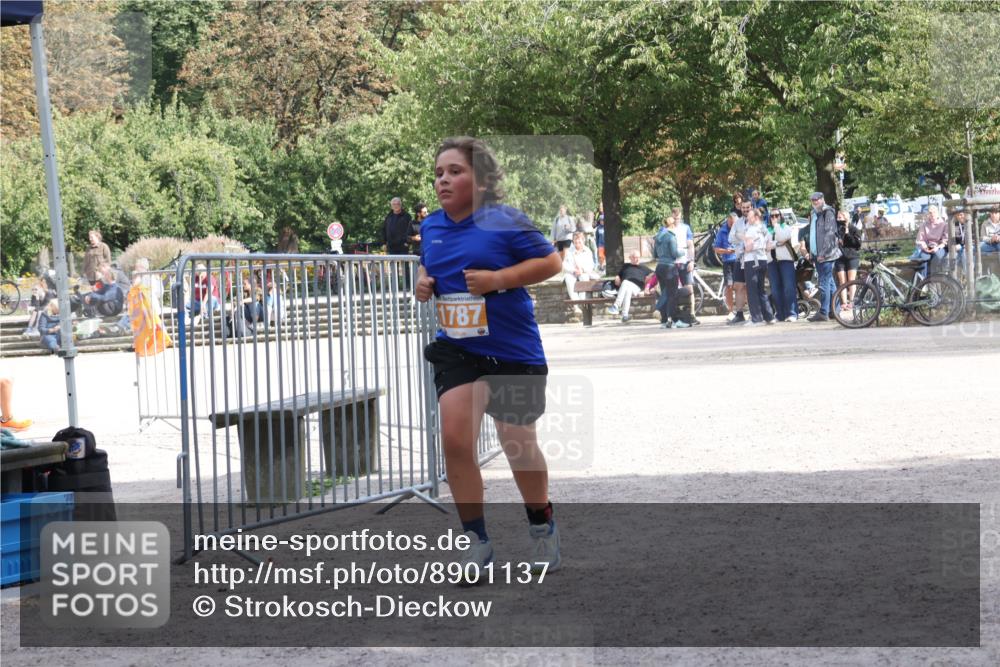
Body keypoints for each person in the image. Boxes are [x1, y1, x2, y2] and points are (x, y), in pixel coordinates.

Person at [415, 136, 564, 576]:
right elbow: (429, 264)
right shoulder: (431, 227)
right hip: (459, 348)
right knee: (456, 440)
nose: (444, 180)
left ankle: (541, 524)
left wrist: (498, 278)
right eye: (439, 173)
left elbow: (551, 262)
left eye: (455, 171)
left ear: (480, 181)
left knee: (517, 444)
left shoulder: (504, 220)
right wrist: (423, 282)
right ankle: (475, 543)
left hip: (512, 348)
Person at [802, 192, 841, 322]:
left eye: (817, 200)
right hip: (817, 255)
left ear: (822, 199)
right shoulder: (814, 213)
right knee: (829, 283)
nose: (815, 202)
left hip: (826, 255)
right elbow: (813, 234)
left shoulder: (827, 212)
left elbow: (830, 234)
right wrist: (813, 253)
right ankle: (835, 311)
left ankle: (824, 312)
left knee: (824, 283)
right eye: (813, 200)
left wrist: (822, 253)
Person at [742, 209, 776, 326]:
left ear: (756, 217)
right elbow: (769, 246)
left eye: (749, 216)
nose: (747, 218)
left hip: (752, 260)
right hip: (763, 259)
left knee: (752, 290)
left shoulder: (751, 230)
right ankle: (769, 316)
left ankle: (756, 318)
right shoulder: (765, 229)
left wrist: (743, 248)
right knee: (761, 289)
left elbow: (748, 247)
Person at [653, 216, 687, 328]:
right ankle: (674, 321)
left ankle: (664, 321)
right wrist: (683, 251)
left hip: (659, 267)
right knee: (672, 295)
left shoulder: (658, 237)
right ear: (672, 225)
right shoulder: (671, 237)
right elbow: (674, 253)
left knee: (665, 293)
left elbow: (655, 255)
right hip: (669, 268)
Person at [768, 210, 799, 322]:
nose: (774, 217)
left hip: (786, 261)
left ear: (781, 216)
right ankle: (779, 314)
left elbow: (782, 237)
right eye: (772, 216)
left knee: (788, 287)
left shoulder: (785, 227)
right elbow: (764, 245)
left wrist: (776, 225)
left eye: (777, 215)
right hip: (771, 262)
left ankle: (792, 313)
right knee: (775, 289)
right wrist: (778, 244)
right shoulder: (767, 230)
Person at [727, 199, 754, 325]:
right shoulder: (737, 223)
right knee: (738, 286)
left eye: (747, 207)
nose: (745, 210)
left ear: (751, 207)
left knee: (751, 287)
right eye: (743, 208)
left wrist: (740, 237)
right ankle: (739, 314)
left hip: (753, 258)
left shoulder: (756, 221)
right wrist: (742, 237)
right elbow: (731, 238)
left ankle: (754, 314)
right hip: (740, 258)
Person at [607, 250, 652, 323]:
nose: (636, 259)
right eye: (634, 257)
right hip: (627, 288)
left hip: (637, 288)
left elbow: (655, 274)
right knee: (627, 291)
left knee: (625, 282)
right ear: (630, 258)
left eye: (638, 257)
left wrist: (649, 277)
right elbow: (619, 275)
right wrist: (617, 277)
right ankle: (625, 316)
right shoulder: (625, 266)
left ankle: (616, 305)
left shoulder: (643, 267)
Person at [670, 209, 698, 325]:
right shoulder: (667, 228)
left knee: (689, 288)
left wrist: (691, 260)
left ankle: (692, 314)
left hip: (684, 261)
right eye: (674, 217)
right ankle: (673, 316)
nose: (677, 219)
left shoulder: (686, 228)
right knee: (672, 290)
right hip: (672, 263)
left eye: (678, 217)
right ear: (671, 216)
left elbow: (690, 245)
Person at [834, 209, 862, 313]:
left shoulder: (853, 228)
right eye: (837, 217)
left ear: (846, 218)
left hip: (852, 256)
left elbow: (857, 244)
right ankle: (844, 303)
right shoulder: (836, 229)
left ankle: (851, 302)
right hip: (840, 257)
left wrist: (847, 233)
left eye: (840, 217)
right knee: (842, 281)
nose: (838, 219)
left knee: (851, 280)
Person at [910, 207, 948, 279]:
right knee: (924, 258)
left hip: (939, 247)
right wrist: (925, 247)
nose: (932, 214)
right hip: (927, 247)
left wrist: (938, 247)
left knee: (937, 256)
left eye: (934, 212)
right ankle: (924, 281)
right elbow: (920, 239)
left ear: (938, 213)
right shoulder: (924, 225)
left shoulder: (943, 224)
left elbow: (945, 240)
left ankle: (935, 279)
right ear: (928, 214)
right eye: (930, 213)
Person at [562, 232, 601, 301]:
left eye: (579, 240)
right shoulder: (569, 251)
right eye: (575, 240)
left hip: (583, 272)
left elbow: (591, 265)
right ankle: (576, 302)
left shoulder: (587, 251)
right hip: (572, 272)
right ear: (573, 241)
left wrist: (582, 270)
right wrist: (573, 270)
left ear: (583, 240)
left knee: (584, 277)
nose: (577, 242)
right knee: (568, 278)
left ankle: (581, 300)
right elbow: (564, 265)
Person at [713, 212, 738, 317]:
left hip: (738, 261)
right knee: (729, 286)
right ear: (728, 221)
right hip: (727, 261)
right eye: (731, 223)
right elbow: (716, 249)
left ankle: (741, 310)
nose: (733, 226)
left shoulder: (739, 228)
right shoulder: (722, 231)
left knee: (741, 286)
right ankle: (731, 311)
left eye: (734, 224)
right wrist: (726, 251)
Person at [981, 207, 1000, 273]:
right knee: (980, 246)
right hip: (989, 245)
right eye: (992, 213)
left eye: (996, 213)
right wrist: (991, 239)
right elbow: (983, 238)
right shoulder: (985, 223)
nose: (994, 215)